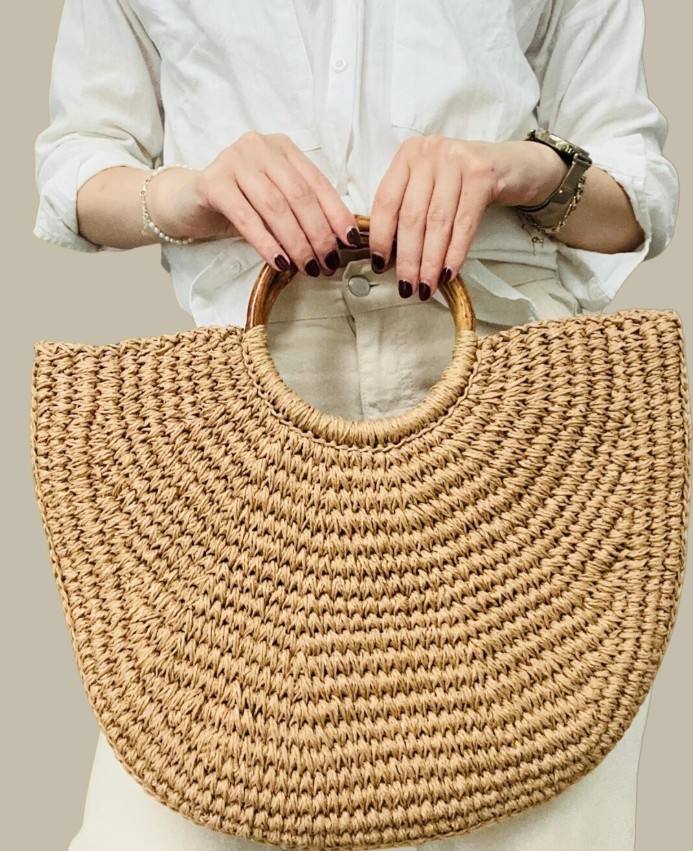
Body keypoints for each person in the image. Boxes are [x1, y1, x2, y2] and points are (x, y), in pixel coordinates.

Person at [33, 2, 678, 850]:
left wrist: (517, 170)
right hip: (241, 440)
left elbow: (635, 198)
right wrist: (187, 194)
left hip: (510, 434)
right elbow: (76, 161)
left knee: (542, 797)